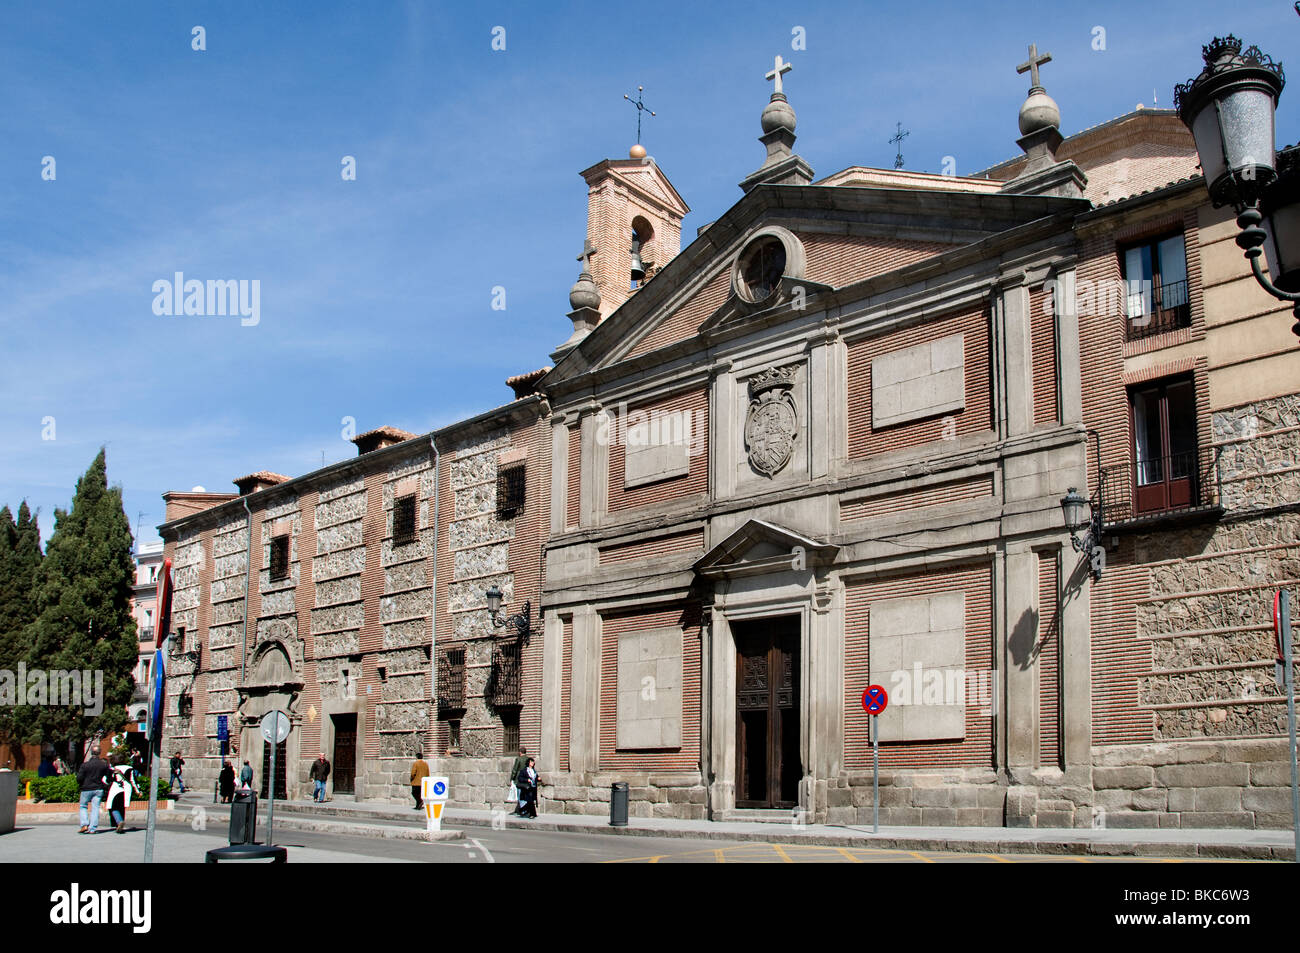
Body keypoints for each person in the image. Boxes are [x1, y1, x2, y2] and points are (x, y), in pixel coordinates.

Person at [76, 745, 112, 834]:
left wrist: (81, 784)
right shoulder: (103, 765)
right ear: (99, 753)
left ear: (91, 752)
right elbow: (109, 777)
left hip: (86, 788)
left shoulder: (85, 765)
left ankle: (84, 824)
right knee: (95, 808)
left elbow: (79, 778)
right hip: (98, 788)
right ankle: (92, 828)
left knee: (83, 806)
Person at [106, 758, 141, 834]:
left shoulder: (112, 769)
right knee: (122, 807)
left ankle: (119, 821)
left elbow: (107, 780)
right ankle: (120, 824)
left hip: (115, 789)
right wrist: (138, 791)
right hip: (126, 789)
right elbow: (133, 780)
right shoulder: (130, 768)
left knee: (112, 807)